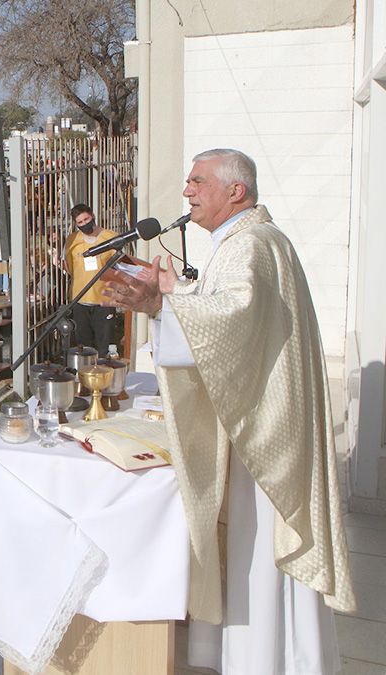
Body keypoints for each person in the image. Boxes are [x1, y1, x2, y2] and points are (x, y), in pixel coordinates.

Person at [102, 148, 354, 675]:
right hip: (264, 417)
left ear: (234, 191)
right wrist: (178, 292)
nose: (187, 190)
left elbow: (233, 318)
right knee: (246, 549)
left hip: (265, 435)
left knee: (260, 552)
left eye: (198, 181)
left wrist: (159, 306)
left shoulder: (251, 245)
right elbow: (230, 311)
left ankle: (270, 660)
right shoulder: (247, 242)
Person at [64, 204, 119, 353]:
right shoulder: (72, 240)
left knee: (104, 344)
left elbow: (119, 267)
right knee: (83, 345)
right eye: (80, 222)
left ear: (92, 216)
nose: (84, 224)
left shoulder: (110, 237)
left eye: (86, 219)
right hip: (80, 298)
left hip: (104, 299)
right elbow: (68, 267)